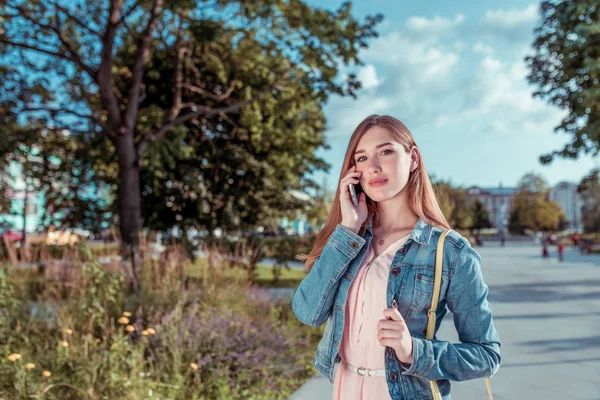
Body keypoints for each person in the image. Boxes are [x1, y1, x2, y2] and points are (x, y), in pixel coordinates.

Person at [292, 115, 501, 400]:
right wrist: (348, 228)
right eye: (362, 158)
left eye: (386, 152)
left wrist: (413, 350)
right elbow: (307, 313)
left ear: (413, 158)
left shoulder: (450, 251)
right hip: (347, 389)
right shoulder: (350, 240)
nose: (374, 167)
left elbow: (486, 355)